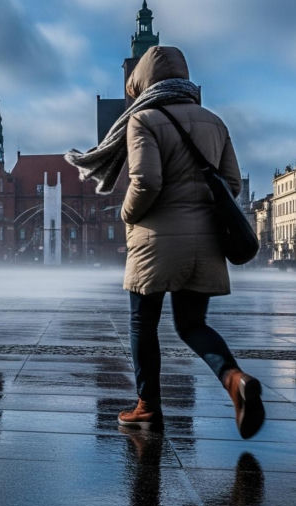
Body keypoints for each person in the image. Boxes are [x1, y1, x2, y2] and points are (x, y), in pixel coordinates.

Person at [66, 45, 264, 439]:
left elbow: (147, 181)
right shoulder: (214, 122)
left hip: (155, 242)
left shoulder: (144, 119)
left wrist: (126, 214)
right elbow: (234, 185)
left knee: (143, 323)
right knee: (192, 324)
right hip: (204, 243)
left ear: (143, 79)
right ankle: (234, 378)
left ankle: (147, 407)